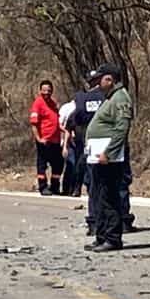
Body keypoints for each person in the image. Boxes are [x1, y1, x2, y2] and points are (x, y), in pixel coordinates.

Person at [84, 65, 133, 251]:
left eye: (100, 80)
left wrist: (109, 152)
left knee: (109, 196)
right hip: (97, 156)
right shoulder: (110, 98)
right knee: (97, 196)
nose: (97, 84)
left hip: (110, 158)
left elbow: (122, 128)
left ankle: (112, 238)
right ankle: (101, 235)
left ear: (110, 79)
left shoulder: (121, 98)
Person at [68, 70, 106, 217]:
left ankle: (94, 219)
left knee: (86, 170)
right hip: (106, 142)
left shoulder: (81, 98)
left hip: (87, 139)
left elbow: (75, 118)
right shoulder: (108, 97)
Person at [29, 80, 65, 195]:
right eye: (44, 91)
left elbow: (56, 121)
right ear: (40, 91)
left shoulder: (53, 103)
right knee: (42, 165)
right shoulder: (37, 104)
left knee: (58, 164)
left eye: (49, 91)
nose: (46, 93)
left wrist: (65, 131)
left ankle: (54, 186)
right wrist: (39, 139)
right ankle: (43, 186)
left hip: (55, 140)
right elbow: (34, 124)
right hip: (44, 140)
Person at [58, 95, 80, 195]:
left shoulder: (81, 108)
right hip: (68, 142)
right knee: (71, 164)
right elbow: (59, 124)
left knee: (78, 165)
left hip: (79, 142)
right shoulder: (67, 108)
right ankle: (66, 188)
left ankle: (75, 188)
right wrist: (66, 143)